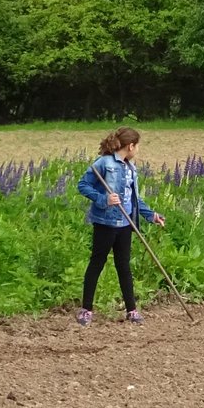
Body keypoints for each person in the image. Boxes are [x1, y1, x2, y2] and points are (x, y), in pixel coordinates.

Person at [75, 126, 163, 325]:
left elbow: (134, 199)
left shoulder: (131, 168)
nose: (137, 150)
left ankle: (131, 310)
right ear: (130, 146)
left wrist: (151, 215)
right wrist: (103, 199)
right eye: (137, 146)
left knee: (123, 266)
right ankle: (86, 310)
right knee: (97, 264)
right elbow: (83, 185)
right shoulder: (104, 163)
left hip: (125, 224)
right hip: (105, 223)